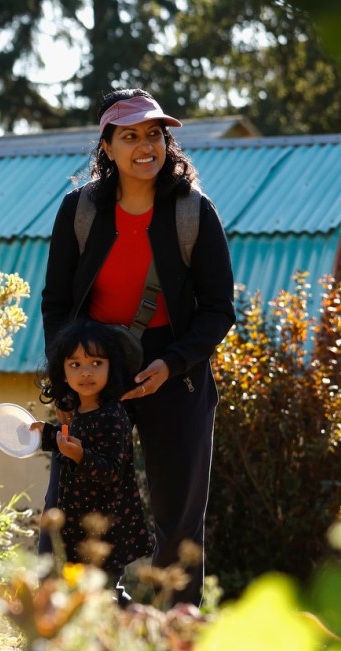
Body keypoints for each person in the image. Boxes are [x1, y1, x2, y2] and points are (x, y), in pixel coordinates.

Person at [40, 89, 236, 607]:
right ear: (106, 146)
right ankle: (68, 620)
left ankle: (178, 628)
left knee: (180, 508)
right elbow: (56, 302)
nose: (145, 146)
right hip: (95, 369)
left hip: (175, 367)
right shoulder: (78, 210)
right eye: (130, 136)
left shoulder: (195, 212)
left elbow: (219, 308)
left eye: (154, 134)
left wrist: (171, 364)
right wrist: (67, 377)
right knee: (74, 495)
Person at [30, 320, 154, 602]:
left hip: (105, 524)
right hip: (77, 523)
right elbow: (69, 442)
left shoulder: (113, 416)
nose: (85, 372)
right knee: (83, 590)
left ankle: (132, 630)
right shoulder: (78, 411)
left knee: (103, 591)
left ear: (113, 367)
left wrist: (81, 456)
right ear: (62, 370)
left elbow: (110, 469)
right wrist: (46, 434)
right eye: (74, 365)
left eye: (96, 362)